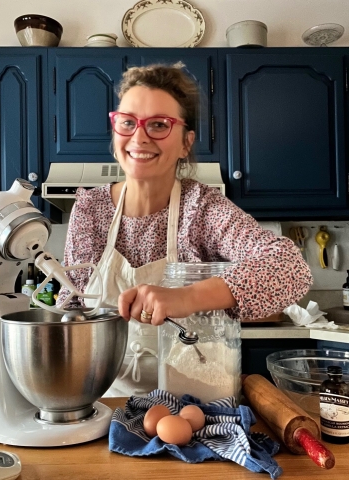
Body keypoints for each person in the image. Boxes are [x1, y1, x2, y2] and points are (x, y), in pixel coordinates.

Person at [57, 63, 313, 396]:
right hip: (107, 406)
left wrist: (186, 296)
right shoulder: (90, 210)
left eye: (159, 125)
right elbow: (71, 310)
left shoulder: (202, 209)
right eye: (127, 122)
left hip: (199, 401)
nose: (139, 136)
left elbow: (291, 268)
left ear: (185, 143)